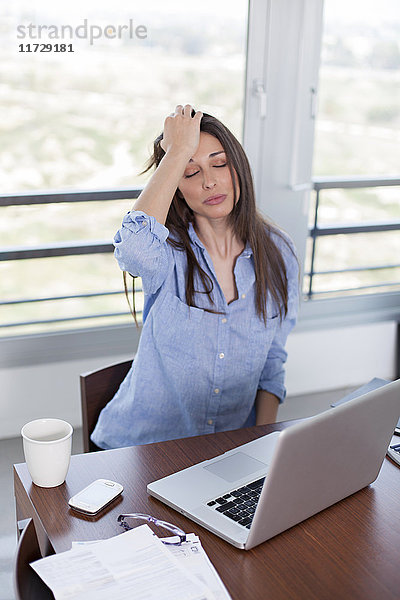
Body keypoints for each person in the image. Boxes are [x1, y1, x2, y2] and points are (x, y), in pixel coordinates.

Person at [91, 104, 299, 449]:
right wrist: (175, 153)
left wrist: (262, 447)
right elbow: (134, 251)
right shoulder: (167, 252)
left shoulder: (279, 253)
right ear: (177, 187)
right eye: (190, 172)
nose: (210, 181)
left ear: (238, 166)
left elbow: (272, 361)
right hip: (140, 450)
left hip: (228, 454)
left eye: (219, 163)